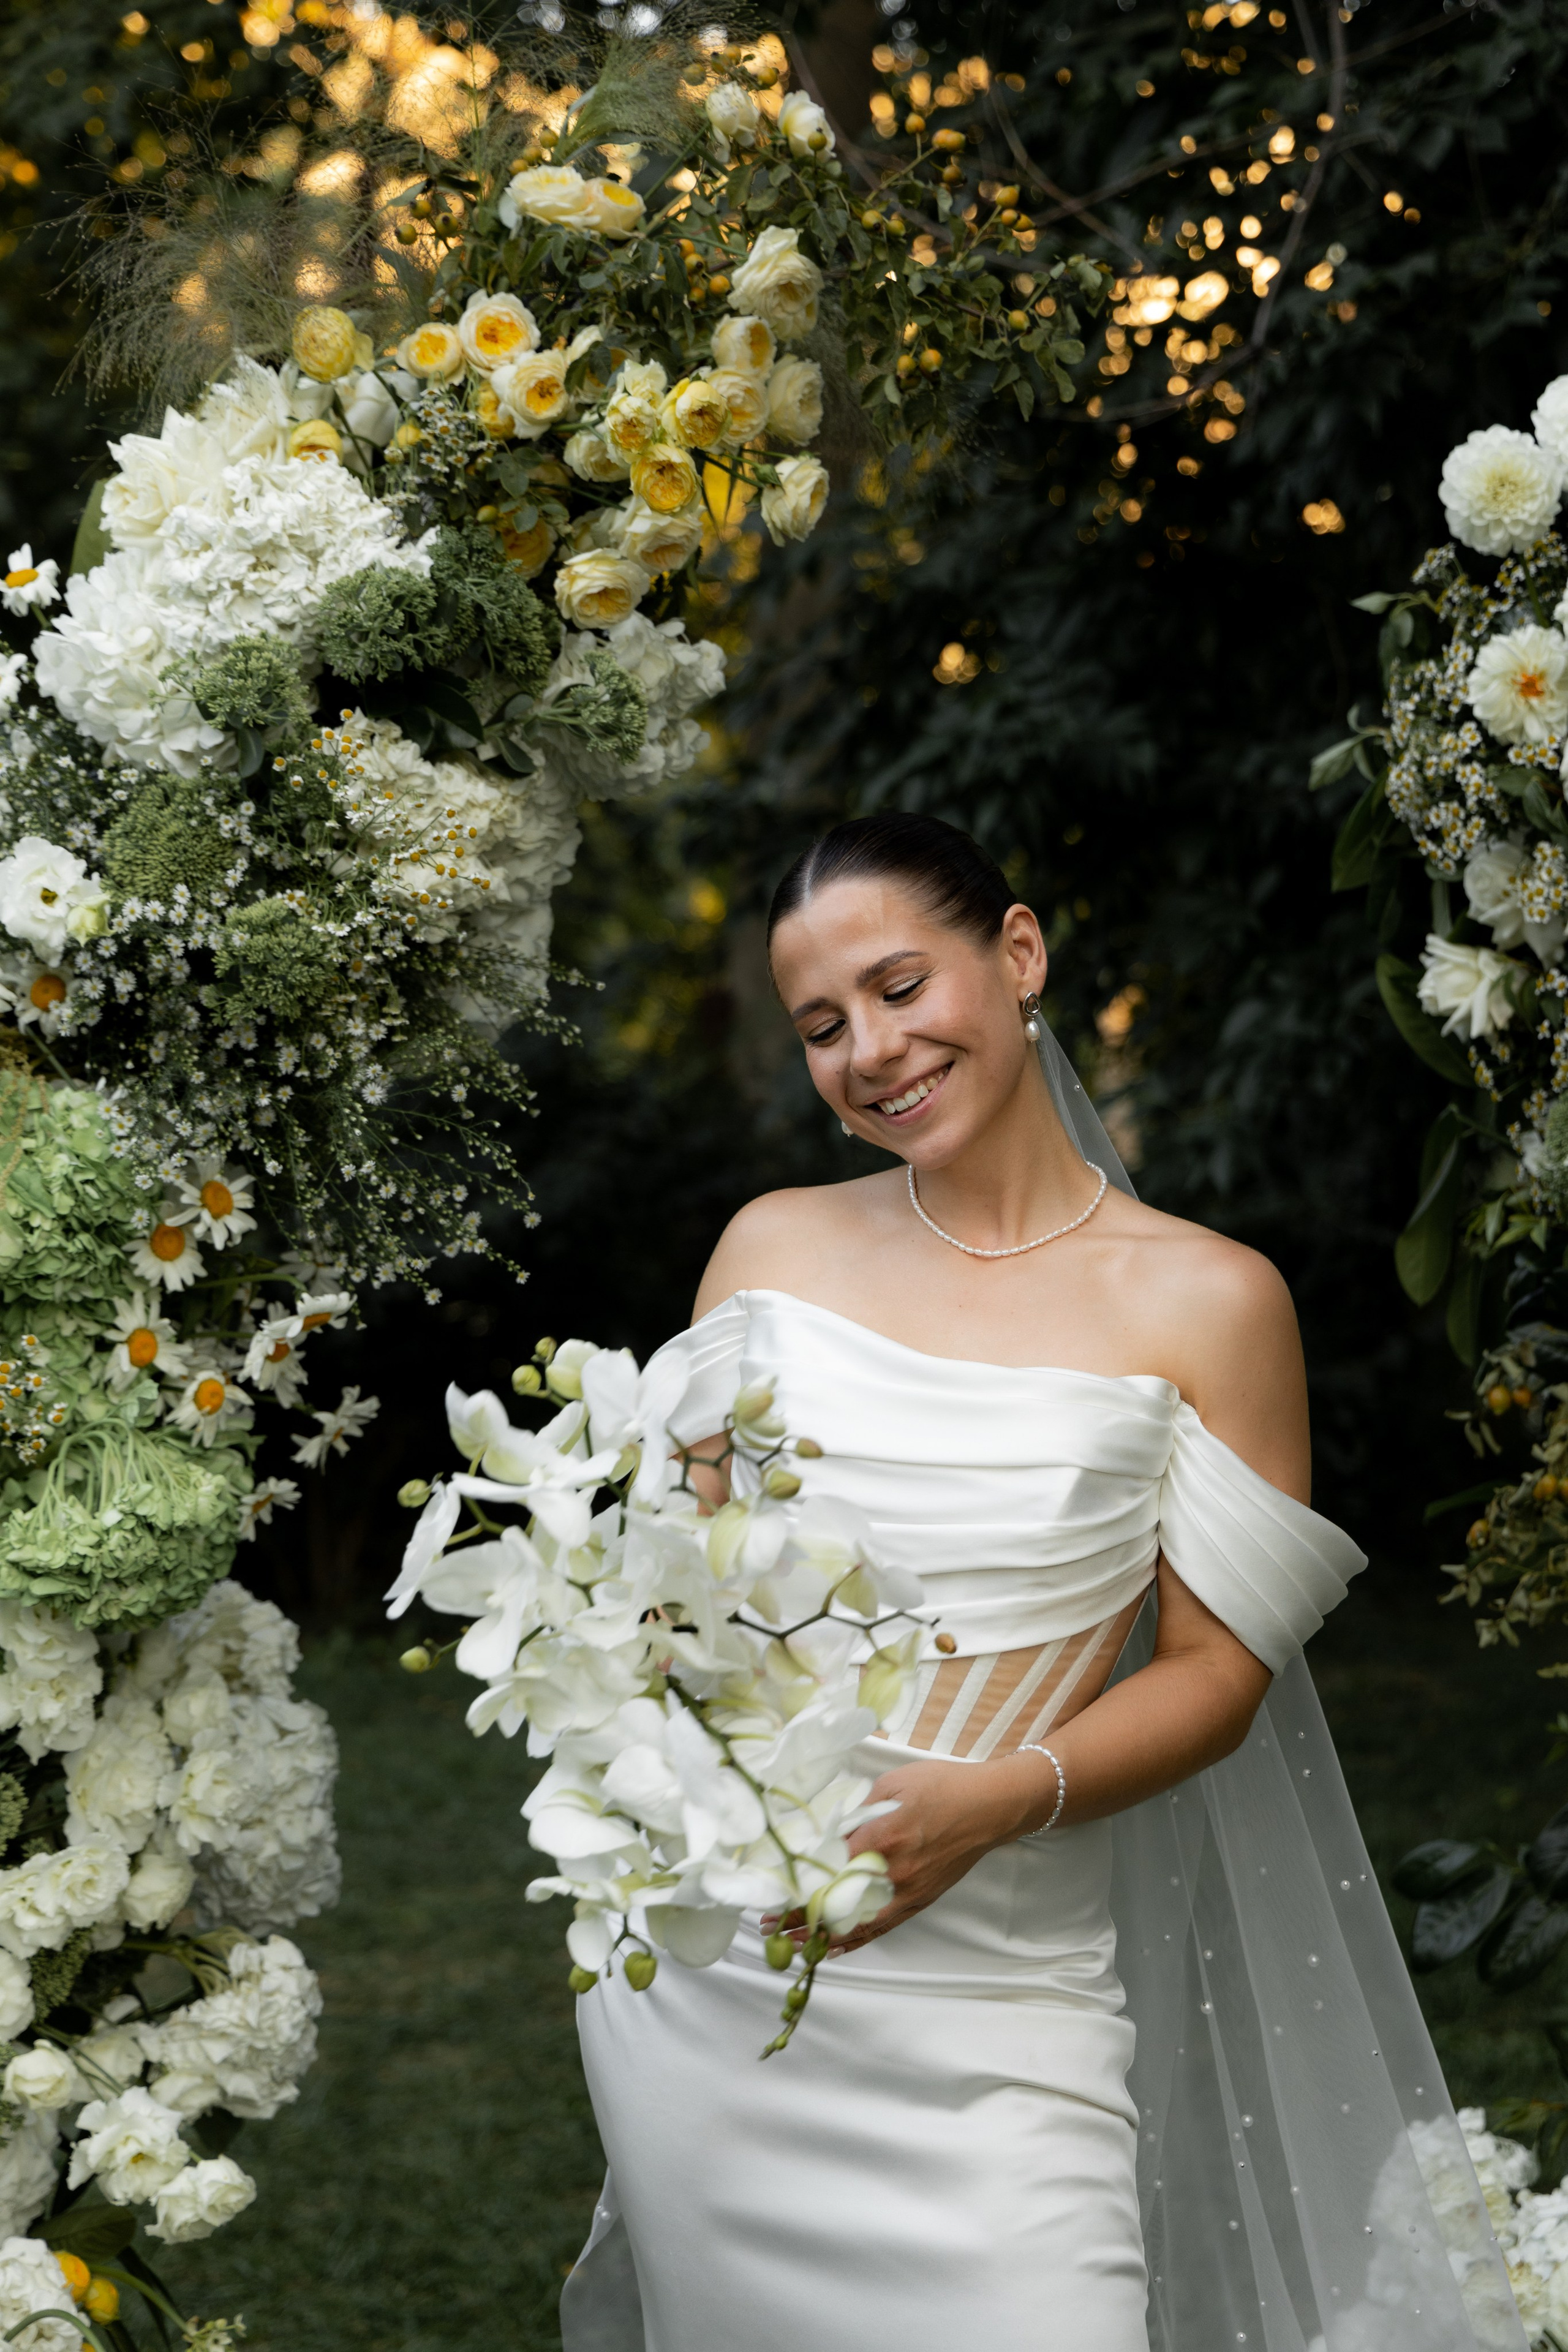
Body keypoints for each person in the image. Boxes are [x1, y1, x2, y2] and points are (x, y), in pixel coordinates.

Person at [562, 815, 1523, 2352]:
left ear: (1015, 955)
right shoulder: (767, 1253)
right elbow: (687, 1586)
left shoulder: (1209, 1300)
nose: (869, 1051)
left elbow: (1216, 1674)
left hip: (1004, 1992)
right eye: (823, 1026)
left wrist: (988, 1802)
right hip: (723, 1974)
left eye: (896, 987)